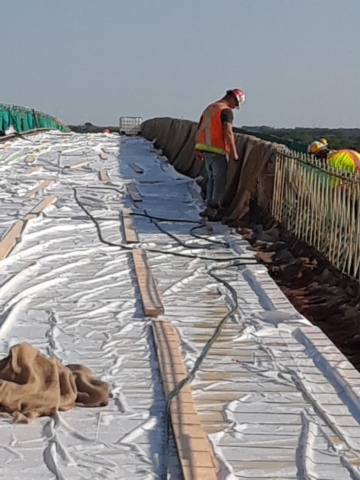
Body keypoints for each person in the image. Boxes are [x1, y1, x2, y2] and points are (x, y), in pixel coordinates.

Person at [195, 88, 245, 221]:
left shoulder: (210, 108)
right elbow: (228, 132)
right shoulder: (225, 111)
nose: (236, 107)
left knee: (212, 178)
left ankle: (209, 207)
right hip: (217, 150)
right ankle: (213, 209)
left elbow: (200, 127)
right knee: (219, 180)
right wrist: (234, 153)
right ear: (233, 99)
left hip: (205, 149)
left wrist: (197, 148)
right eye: (237, 103)